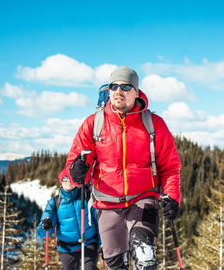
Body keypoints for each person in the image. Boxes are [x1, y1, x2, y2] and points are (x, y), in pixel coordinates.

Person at [66, 66, 181, 270]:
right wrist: (76, 172)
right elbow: (73, 168)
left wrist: (172, 197)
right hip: (106, 204)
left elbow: (170, 167)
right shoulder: (93, 124)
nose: (119, 91)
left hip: (143, 198)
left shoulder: (154, 124)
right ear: (108, 91)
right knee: (115, 264)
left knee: (145, 258)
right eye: (114, 86)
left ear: (136, 92)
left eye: (126, 86)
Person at [37, 171, 101, 270]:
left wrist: (103, 244)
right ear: (60, 183)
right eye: (64, 179)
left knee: (90, 268)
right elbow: (44, 233)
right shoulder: (55, 202)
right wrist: (45, 225)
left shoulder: (86, 197)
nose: (68, 181)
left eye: (71, 178)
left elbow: (98, 222)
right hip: (66, 247)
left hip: (88, 242)